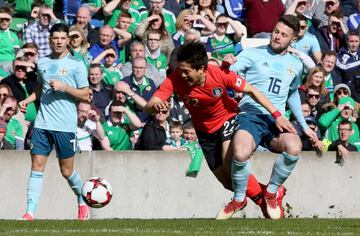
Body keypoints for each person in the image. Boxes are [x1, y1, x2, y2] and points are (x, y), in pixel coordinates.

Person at [144, 41, 293, 219]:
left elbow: (252, 91)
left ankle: (258, 201)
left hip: (228, 118)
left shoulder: (219, 74)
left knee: (229, 163)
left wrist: (277, 115)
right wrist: (155, 106)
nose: (182, 74)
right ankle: (266, 198)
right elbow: (149, 105)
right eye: (180, 70)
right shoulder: (175, 78)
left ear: (201, 69)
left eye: (186, 71)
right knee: (228, 182)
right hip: (204, 131)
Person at [224, 14, 319, 220]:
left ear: (293, 40)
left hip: (277, 120)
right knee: (240, 153)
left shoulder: (296, 65)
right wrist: (226, 63)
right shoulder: (251, 54)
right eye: (276, 31)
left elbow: (292, 94)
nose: (277, 37)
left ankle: (271, 191)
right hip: (250, 115)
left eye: (283, 35)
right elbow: (227, 74)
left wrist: (303, 126)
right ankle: (239, 198)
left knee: (294, 147)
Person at [19, 23, 90, 221]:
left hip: (65, 125)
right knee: (37, 165)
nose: (58, 42)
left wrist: (65, 87)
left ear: (68, 40)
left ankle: (82, 198)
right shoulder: (42, 63)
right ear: (50, 40)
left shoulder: (77, 64)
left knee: (66, 171)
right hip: (42, 122)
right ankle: (30, 212)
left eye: (62, 38)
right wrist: (28, 99)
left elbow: (85, 94)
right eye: (55, 38)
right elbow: (40, 89)